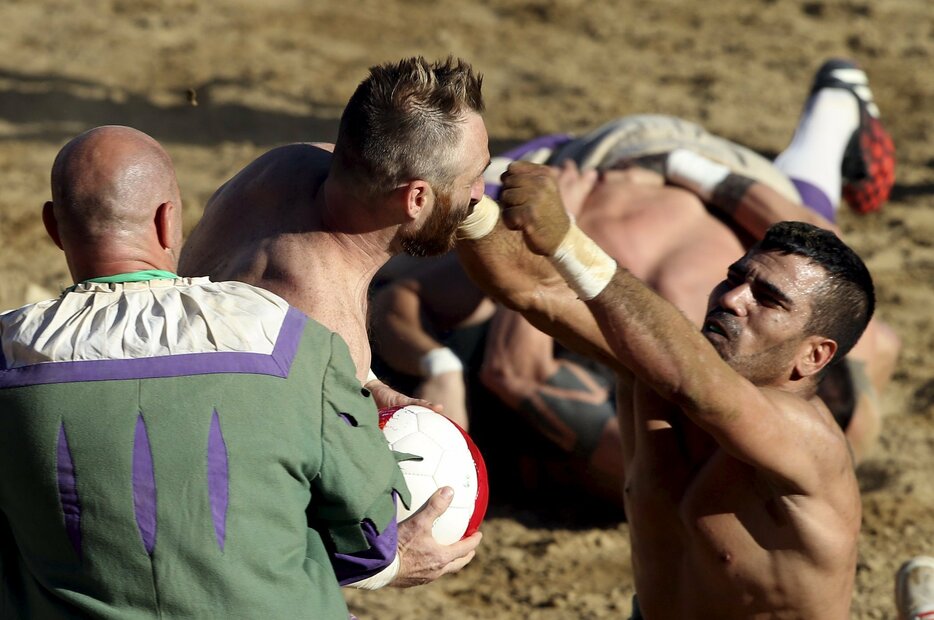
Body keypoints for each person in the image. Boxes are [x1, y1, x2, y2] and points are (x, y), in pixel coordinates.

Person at [0, 126, 479, 619]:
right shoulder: (289, 338)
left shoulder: (6, 358)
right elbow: (365, 533)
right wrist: (391, 563)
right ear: (169, 222)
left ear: (53, 228)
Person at [371, 59, 898, 496]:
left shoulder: (661, 413)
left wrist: (554, 230)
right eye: (743, 284)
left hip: (560, 172)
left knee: (385, 206)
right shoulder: (843, 354)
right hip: (701, 173)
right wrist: (691, 168)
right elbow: (814, 252)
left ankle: (835, 108)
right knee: (816, 252)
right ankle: (836, 106)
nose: (735, 297)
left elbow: (525, 329)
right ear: (816, 361)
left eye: (764, 299)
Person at [178, 56, 491, 413]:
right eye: (471, 179)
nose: (480, 193)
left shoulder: (284, 164)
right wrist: (351, 377)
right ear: (416, 199)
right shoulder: (324, 327)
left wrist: (366, 381)